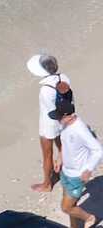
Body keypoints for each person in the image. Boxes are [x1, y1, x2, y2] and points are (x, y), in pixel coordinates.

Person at [48, 99, 100, 228]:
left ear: (67, 116)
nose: (57, 119)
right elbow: (65, 143)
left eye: (59, 117)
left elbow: (98, 150)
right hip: (65, 171)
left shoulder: (80, 130)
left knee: (66, 207)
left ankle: (89, 217)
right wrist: (60, 157)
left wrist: (88, 169)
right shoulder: (65, 124)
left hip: (77, 175)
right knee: (72, 206)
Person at [28, 54, 72, 191]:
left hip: (49, 123)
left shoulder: (45, 90)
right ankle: (66, 171)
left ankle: (47, 184)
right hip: (64, 118)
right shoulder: (64, 78)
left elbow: (51, 112)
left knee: (47, 154)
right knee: (62, 147)